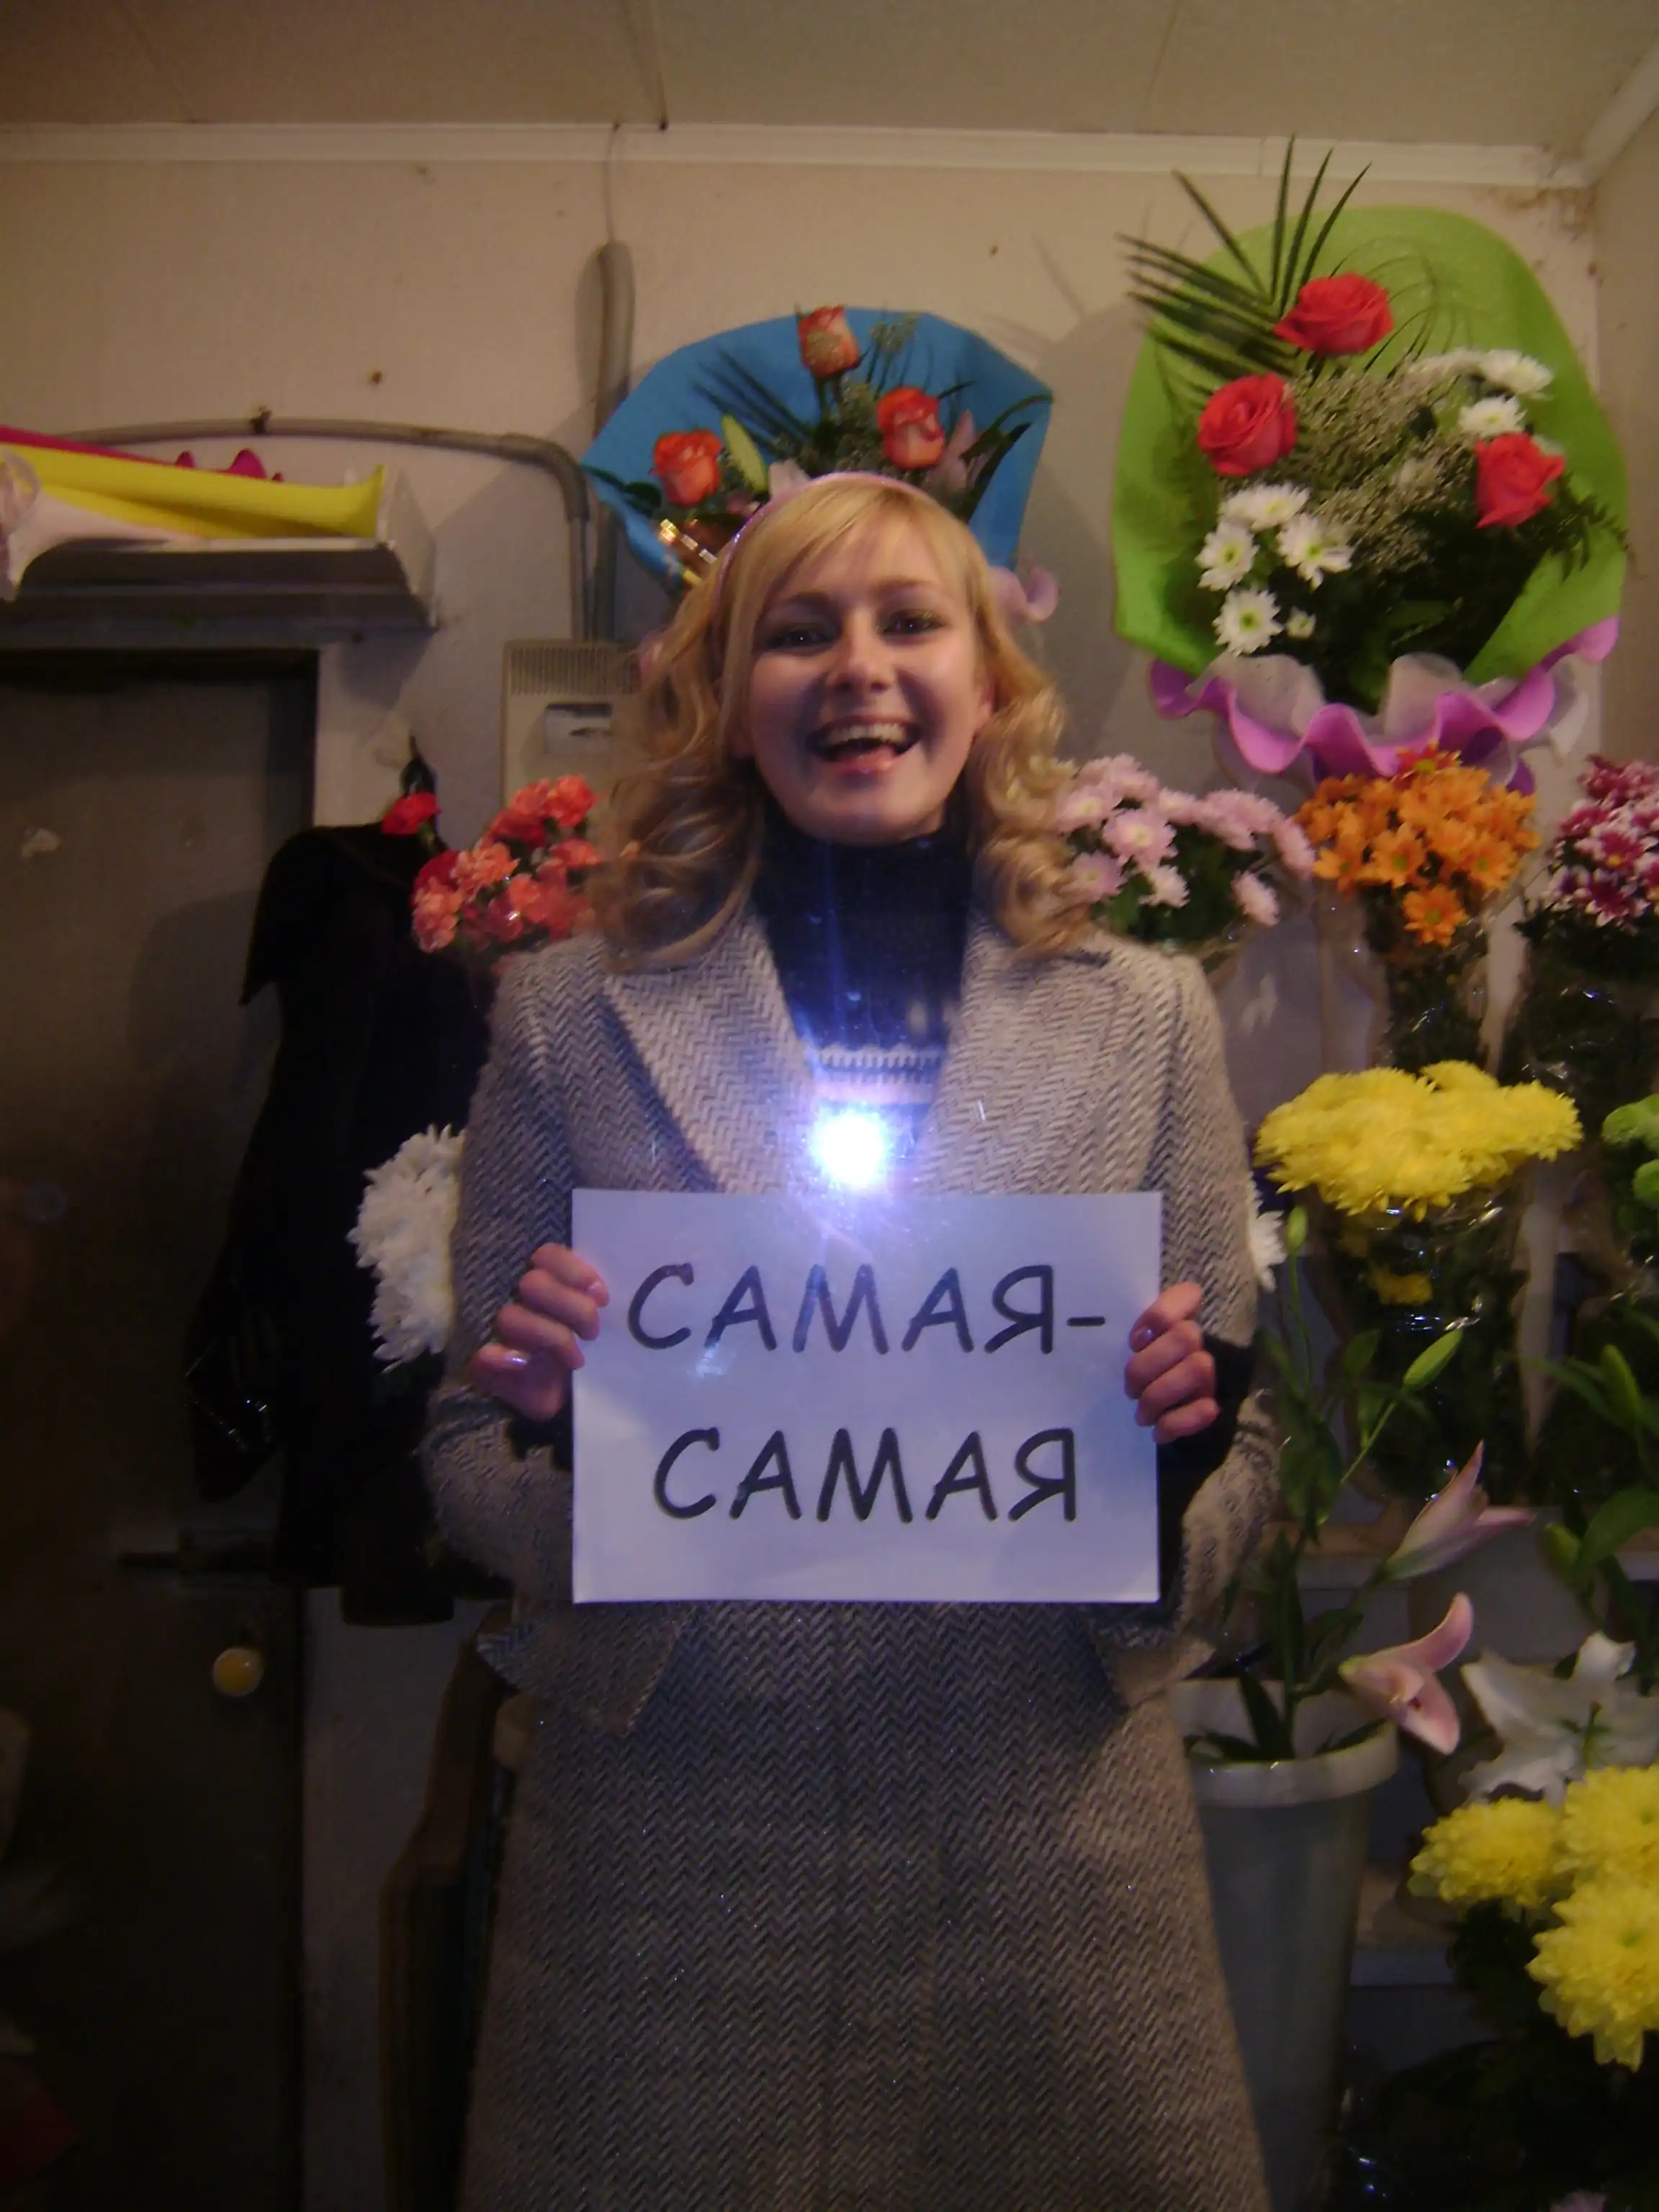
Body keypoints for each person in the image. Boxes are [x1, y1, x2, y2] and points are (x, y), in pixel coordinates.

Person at [423, 472, 1276, 2210]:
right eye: (798, 632)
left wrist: (1178, 1455)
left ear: (988, 680)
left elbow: (1245, 1465)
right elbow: (460, 1455)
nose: (858, 669)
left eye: (909, 622)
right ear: (729, 695)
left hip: (1048, 1860)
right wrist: (566, 1443)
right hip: (675, 1863)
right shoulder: (572, 1016)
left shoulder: (1148, 1019)